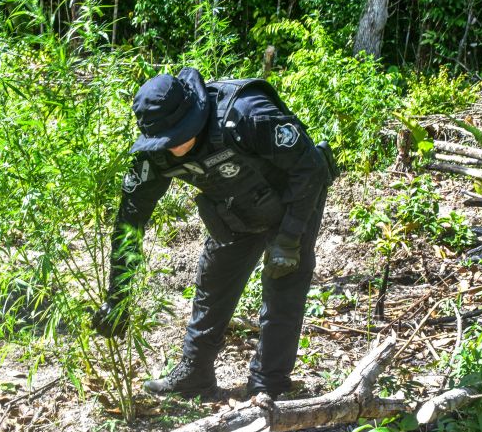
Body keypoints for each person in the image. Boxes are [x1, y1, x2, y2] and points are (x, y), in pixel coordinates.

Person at [92, 67, 336, 398]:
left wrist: (290, 238)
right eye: (165, 142)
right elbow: (129, 224)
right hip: (233, 207)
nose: (174, 148)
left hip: (293, 200)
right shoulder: (155, 152)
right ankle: (194, 375)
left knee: (283, 285)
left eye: (179, 137)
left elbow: (311, 168)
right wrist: (116, 298)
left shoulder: (245, 114)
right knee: (213, 282)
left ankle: (269, 385)